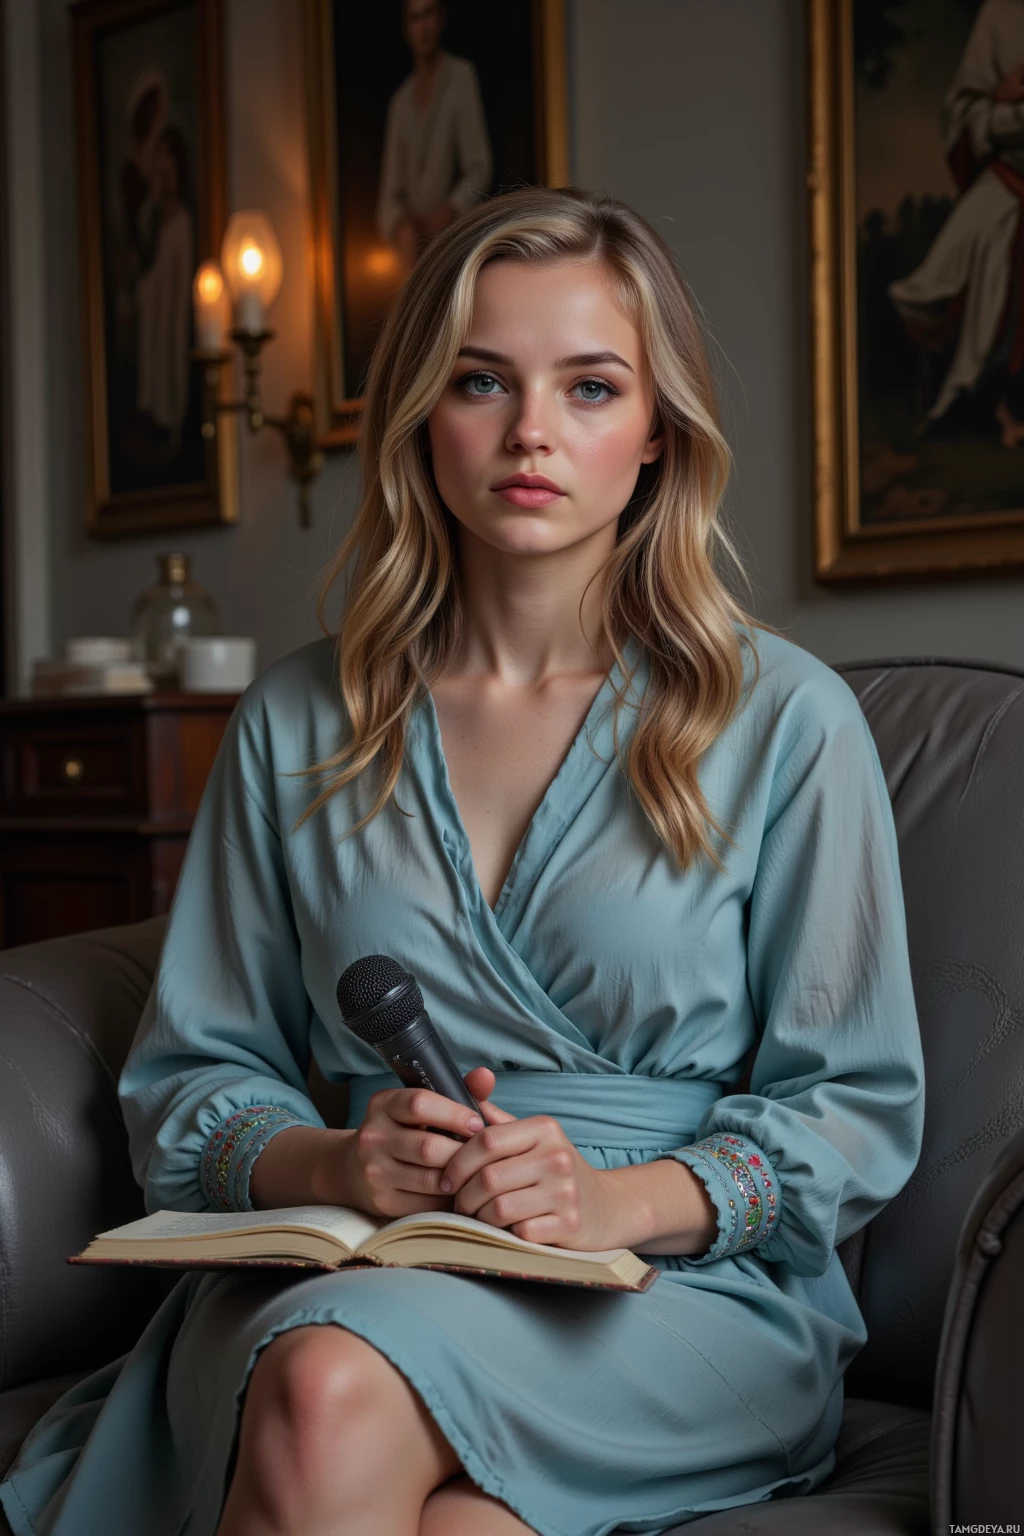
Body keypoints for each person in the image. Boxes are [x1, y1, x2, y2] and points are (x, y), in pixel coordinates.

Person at [0, 187, 925, 1536]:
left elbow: (851, 1106)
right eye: (483, 380)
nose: (532, 432)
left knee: (328, 1399)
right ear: (422, 414)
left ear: (660, 430)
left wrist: (611, 1198)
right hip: (368, 1259)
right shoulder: (300, 721)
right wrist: (337, 1166)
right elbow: (195, 1070)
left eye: (592, 386)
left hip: (664, 1288)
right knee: (379, 1437)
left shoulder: (784, 720)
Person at [887, 0, 1024, 445]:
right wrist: (1002, 109)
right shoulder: (1001, 15)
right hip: (1008, 172)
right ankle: (968, 397)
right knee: (972, 249)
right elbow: (965, 114)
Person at [376, 0, 492, 276]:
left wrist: (450, 209)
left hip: (453, 235)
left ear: (440, 18)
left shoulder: (460, 76)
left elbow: (479, 166)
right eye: (415, 18)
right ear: (407, 29)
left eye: (428, 14)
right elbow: (388, 196)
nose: (423, 28)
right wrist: (403, 226)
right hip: (413, 249)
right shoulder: (401, 102)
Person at [135, 124, 194, 449]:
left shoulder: (182, 224)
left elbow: (178, 292)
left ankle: (172, 421)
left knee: (170, 357)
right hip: (154, 312)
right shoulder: (153, 219)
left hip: (172, 315)